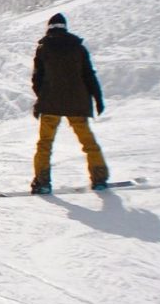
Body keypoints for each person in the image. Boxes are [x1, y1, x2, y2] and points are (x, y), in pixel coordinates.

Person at [30, 13, 109, 194]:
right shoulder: (79, 48)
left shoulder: (43, 49)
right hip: (77, 104)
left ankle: (42, 182)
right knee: (88, 143)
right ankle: (99, 178)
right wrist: (98, 99)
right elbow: (89, 75)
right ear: (64, 27)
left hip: (50, 104)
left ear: (49, 28)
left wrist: (42, 98)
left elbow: (37, 79)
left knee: (45, 144)